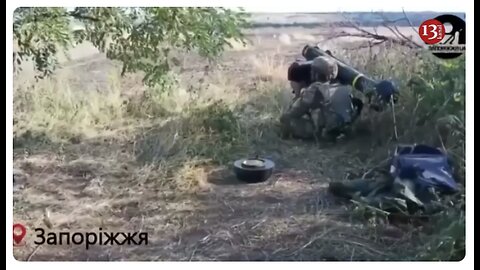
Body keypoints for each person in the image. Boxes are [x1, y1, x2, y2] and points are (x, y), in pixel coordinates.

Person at [280, 56, 363, 141]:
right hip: (343, 128)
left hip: (326, 133)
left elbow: (296, 111)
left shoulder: (314, 89)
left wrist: (287, 113)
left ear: (316, 74)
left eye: (313, 71)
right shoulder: (343, 87)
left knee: (286, 120)